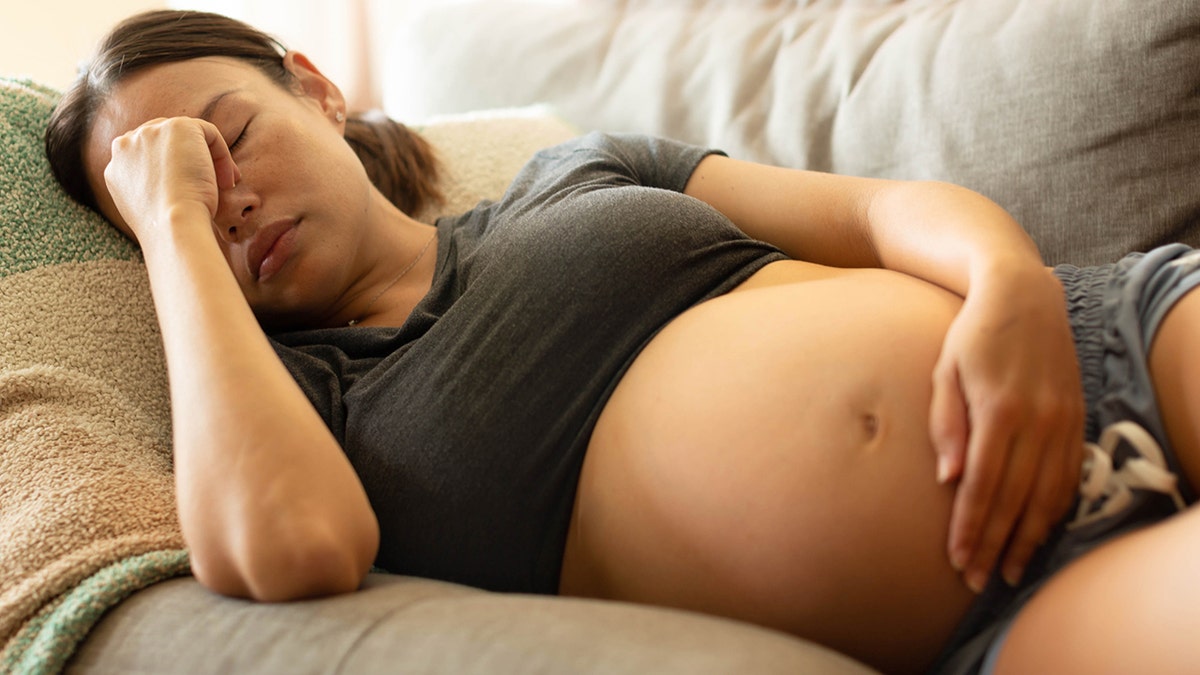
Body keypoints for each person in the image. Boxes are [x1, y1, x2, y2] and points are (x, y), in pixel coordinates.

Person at [43, 9, 1199, 675]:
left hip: (1110, 335)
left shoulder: (577, 171)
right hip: (994, 598)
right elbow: (287, 551)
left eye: (226, 138)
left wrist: (1008, 287)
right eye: (188, 194)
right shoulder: (302, 402)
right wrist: (174, 232)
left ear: (315, 88)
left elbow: (876, 212)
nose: (228, 196)